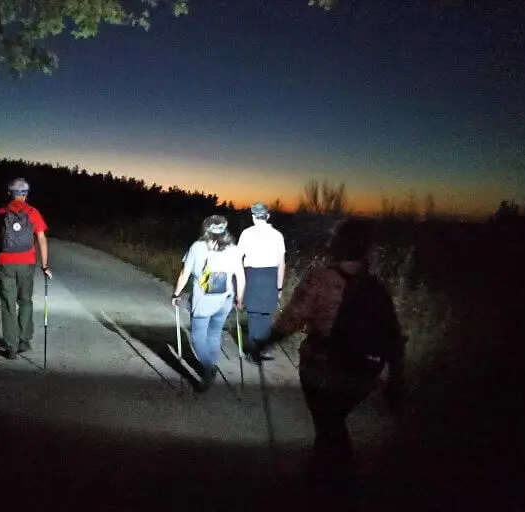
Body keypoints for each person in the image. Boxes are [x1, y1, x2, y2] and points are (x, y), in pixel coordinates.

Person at [250, 217, 406, 507]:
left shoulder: (321, 279)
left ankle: (338, 486)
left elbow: (293, 319)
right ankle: (321, 473)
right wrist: (396, 378)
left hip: (322, 371)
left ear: (337, 244)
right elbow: (393, 335)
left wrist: (264, 343)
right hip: (363, 375)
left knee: (329, 425)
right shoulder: (375, 287)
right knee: (332, 422)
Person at [171, 215, 246, 391]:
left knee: (198, 337)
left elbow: (185, 273)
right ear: (225, 230)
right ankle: (210, 365)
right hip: (225, 300)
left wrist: (176, 294)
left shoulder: (197, 247)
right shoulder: (234, 250)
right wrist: (239, 299)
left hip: (204, 301)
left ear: (205, 229)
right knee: (214, 334)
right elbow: (241, 278)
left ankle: (208, 369)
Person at [0, 178, 52, 360]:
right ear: (26, 194)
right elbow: (42, 239)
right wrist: (45, 265)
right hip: (26, 264)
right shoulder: (33, 213)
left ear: (10, 193)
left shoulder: (1, 213)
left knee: (8, 305)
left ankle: (11, 347)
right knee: (25, 301)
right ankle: (24, 341)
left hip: (5, 264)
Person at [237, 202, 286, 360]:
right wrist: (279, 288)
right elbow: (281, 264)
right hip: (270, 277)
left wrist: (240, 284)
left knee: (254, 316)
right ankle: (261, 349)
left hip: (253, 275)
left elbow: (238, 258)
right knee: (265, 315)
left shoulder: (246, 233)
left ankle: (255, 351)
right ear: (268, 216)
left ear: (253, 216)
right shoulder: (277, 235)